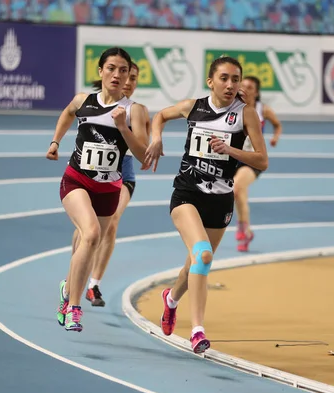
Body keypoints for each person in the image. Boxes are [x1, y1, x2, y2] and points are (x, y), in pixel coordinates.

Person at [143, 56, 269, 353]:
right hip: (187, 193)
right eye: (224, 78)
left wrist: (231, 150)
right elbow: (159, 116)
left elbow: (262, 159)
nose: (230, 84)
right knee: (202, 255)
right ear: (210, 81)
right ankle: (198, 331)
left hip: (220, 200)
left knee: (194, 264)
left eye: (235, 79)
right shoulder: (192, 107)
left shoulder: (245, 114)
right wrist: (156, 138)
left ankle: (171, 299)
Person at [46, 47, 149, 332]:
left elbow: (142, 155)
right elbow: (68, 113)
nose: (117, 75)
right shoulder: (84, 100)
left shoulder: (135, 111)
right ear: (101, 71)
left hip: (109, 189)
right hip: (76, 180)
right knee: (90, 234)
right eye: (112, 68)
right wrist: (55, 141)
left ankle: (68, 288)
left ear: (129, 75)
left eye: (123, 70)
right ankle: (73, 307)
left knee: (90, 244)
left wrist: (123, 128)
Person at [78, 62, 150, 307]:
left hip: (123, 173)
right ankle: (75, 273)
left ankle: (93, 284)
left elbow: (144, 147)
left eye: (133, 77)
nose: (128, 81)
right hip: (89, 174)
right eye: (124, 75)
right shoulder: (93, 104)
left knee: (111, 223)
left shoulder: (137, 111)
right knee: (86, 229)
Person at [233, 76, 282, 252]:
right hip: (234, 158)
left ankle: (241, 228)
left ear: (257, 91)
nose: (245, 89)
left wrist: (275, 137)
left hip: (253, 159)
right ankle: (246, 231)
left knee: (236, 187)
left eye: (250, 87)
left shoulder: (264, 110)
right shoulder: (233, 107)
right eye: (243, 86)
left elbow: (277, 125)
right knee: (240, 195)